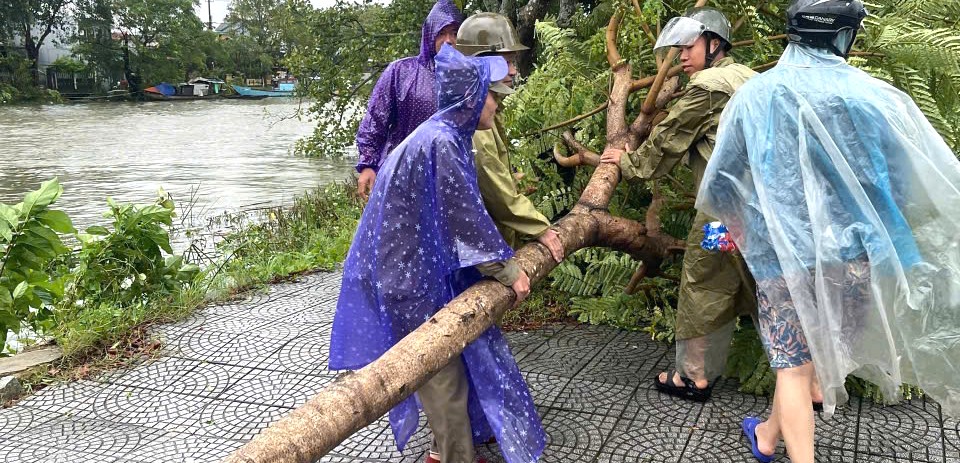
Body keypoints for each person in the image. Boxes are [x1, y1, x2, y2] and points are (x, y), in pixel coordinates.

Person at [696, 1, 960, 461]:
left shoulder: (756, 96)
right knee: (808, 357)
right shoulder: (872, 96)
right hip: (853, 258)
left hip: (783, 260)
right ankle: (766, 435)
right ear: (843, 36)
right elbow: (898, 182)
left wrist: (748, 228)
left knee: (793, 369)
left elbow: (720, 182)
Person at [329, 44, 547, 463]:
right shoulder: (443, 141)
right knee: (441, 374)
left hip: (412, 267)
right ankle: (452, 458)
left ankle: (445, 450)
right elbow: (465, 218)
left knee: (451, 365)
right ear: (471, 95)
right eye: (493, 96)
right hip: (405, 276)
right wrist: (508, 269)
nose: (498, 106)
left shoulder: (444, 133)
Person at [600, 7, 757, 402]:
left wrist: (627, 162)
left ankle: (693, 377)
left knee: (704, 280)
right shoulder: (752, 78)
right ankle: (810, 380)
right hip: (763, 208)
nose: (682, 57)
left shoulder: (706, 88)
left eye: (689, 47)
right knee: (765, 286)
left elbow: (667, 141)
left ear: (714, 44)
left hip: (724, 212)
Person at [455, 13, 564, 263]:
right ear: (483, 64)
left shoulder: (482, 104)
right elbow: (495, 189)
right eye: (507, 63)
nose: (514, 71)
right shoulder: (473, 117)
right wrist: (540, 228)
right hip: (473, 255)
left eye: (514, 62)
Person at [355, 0, 463, 200]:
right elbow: (374, 120)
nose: (448, 40)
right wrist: (367, 165)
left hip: (450, 179)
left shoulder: (468, 77)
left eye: (454, 33)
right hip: (400, 175)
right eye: (441, 33)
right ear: (429, 35)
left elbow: (485, 134)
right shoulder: (401, 71)